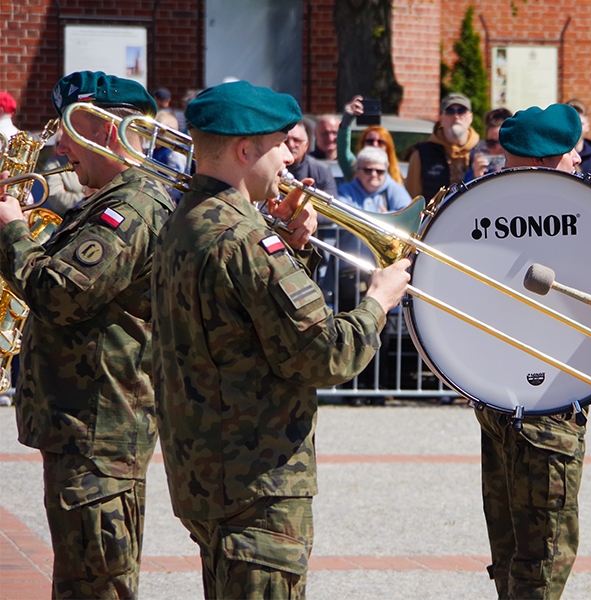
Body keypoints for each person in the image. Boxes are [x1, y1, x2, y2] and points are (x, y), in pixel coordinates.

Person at [151, 80, 410, 600]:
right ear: (245, 151)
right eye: (280, 146)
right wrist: (377, 302)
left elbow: (247, 325)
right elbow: (325, 354)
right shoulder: (246, 239)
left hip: (207, 474)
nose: (289, 163)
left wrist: (294, 250)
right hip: (257, 486)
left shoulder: (184, 220)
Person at [0, 70, 174, 598]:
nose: (58, 144)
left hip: (100, 432)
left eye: (68, 129)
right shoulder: (113, 199)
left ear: (102, 130)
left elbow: (60, 293)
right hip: (88, 428)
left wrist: (10, 228)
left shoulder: (131, 205)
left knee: (95, 586)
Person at [475, 103, 583, 599]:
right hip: (549, 404)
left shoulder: (476, 207)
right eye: (571, 156)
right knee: (541, 555)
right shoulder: (571, 215)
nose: (580, 163)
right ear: (543, 163)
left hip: (493, 394)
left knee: (510, 546)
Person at [405, 93, 480, 200]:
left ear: (471, 117)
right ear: (441, 118)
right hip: (435, 216)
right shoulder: (421, 154)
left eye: (462, 111)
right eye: (450, 111)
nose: (456, 116)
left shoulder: (483, 150)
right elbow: (412, 200)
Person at [337, 95, 404, 184]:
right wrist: (346, 120)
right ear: (362, 144)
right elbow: (343, 151)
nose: (374, 145)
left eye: (380, 142)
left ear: (388, 147)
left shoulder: (395, 174)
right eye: (369, 141)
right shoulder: (355, 168)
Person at [285, 121, 337, 197]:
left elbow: (330, 204)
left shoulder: (322, 170)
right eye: (285, 141)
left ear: (306, 145)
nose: (291, 145)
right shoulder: (273, 168)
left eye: (296, 140)